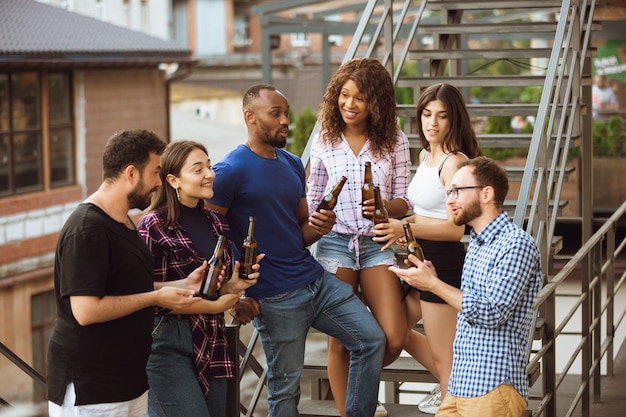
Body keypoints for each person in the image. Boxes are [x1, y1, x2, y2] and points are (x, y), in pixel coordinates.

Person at [206, 84, 386, 417]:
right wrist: (232, 296)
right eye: (275, 114)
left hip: (315, 280)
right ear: (250, 117)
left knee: (371, 339)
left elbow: (300, 230)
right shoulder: (229, 171)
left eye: (286, 112)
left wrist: (319, 227)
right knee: (285, 392)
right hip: (275, 298)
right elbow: (210, 239)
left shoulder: (290, 163)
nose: (285, 120)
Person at [46, 130, 206, 417]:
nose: (159, 182)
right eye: (155, 173)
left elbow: (125, 286)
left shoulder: (124, 221)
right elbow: (85, 310)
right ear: (131, 173)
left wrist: (182, 284)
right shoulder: (88, 229)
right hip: (93, 391)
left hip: (129, 383)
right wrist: (157, 297)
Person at [390, 156, 542, 417]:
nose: (450, 198)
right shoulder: (478, 245)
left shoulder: (515, 244)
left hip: (493, 388)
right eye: (449, 191)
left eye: (458, 190)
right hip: (461, 386)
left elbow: (492, 313)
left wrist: (434, 285)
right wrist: (431, 278)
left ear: (487, 194)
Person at [306, 57, 411, 417]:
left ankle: (360, 391)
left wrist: (383, 206)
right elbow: (312, 197)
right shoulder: (325, 137)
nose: (349, 104)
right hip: (335, 243)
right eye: (344, 95)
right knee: (340, 342)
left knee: (393, 337)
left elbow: (405, 198)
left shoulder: (394, 138)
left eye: (359, 98)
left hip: (376, 243)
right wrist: (315, 217)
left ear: (376, 103)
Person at [375, 83, 482, 414]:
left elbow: (455, 228)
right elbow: (425, 212)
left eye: (442, 116)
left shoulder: (454, 163)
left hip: (444, 264)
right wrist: (400, 225)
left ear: (454, 120)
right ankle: (458, 386)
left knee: (442, 355)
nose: (431, 123)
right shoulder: (426, 155)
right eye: (426, 114)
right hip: (418, 258)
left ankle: (455, 396)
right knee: (395, 332)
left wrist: (403, 226)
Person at [137, 140, 262, 416]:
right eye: (198, 169)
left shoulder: (217, 222)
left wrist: (236, 285)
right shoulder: (153, 225)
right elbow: (143, 294)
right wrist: (218, 303)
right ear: (173, 180)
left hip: (213, 337)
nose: (210, 173)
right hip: (167, 339)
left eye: (208, 165)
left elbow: (213, 289)